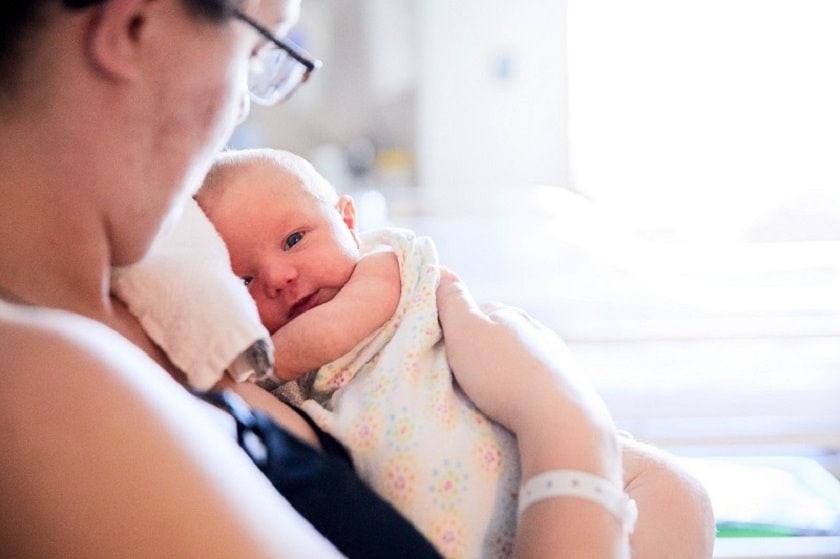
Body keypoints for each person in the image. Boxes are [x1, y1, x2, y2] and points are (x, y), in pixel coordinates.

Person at [0, 1, 714, 558]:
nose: (242, 107)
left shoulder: (153, 305)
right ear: (133, 26)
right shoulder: (43, 389)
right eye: (256, 50)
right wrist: (562, 420)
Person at [197, 148, 714, 558]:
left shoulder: (384, 267)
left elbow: (328, 335)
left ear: (347, 220)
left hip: (521, 476)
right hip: (460, 528)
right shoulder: (280, 396)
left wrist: (238, 362)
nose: (278, 277)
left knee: (673, 500)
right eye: (243, 278)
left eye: (293, 238)